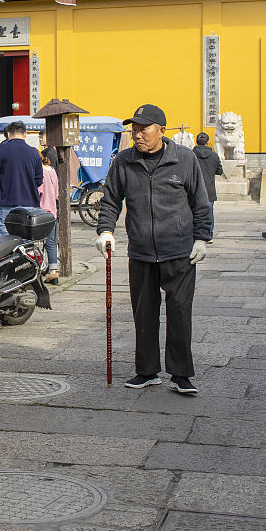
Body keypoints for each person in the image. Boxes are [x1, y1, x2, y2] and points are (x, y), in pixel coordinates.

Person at [96, 104, 211, 396]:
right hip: (142, 252)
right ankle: (146, 371)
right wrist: (106, 230)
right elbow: (110, 200)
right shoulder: (124, 161)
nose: (136, 135)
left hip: (180, 251)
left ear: (161, 130)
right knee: (143, 314)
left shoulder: (184, 159)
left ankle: (181, 374)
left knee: (180, 313)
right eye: (133, 129)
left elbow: (201, 202)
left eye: (143, 129)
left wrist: (202, 238)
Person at [0, 120, 43, 236]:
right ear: (25, 134)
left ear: (8, 134)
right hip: (29, 201)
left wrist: (4, 180)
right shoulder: (34, 153)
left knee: (5, 240)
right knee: (27, 238)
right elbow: (39, 179)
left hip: (7, 200)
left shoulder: (3, 149)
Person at [191, 132, 222, 236]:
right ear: (207, 143)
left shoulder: (191, 155)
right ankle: (209, 234)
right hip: (209, 189)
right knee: (209, 213)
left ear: (196, 141)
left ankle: (195, 234)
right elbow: (219, 171)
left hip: (193, 189)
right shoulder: (214, 156)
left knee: (193, 213)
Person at [38, 148, 61, 283]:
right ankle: (53, 272)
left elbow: (38, 191)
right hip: (52, 211)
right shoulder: (51, 170)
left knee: (33, 242)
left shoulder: (39, 172)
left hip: (41, 211)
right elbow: (56, 193)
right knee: (50, 242)